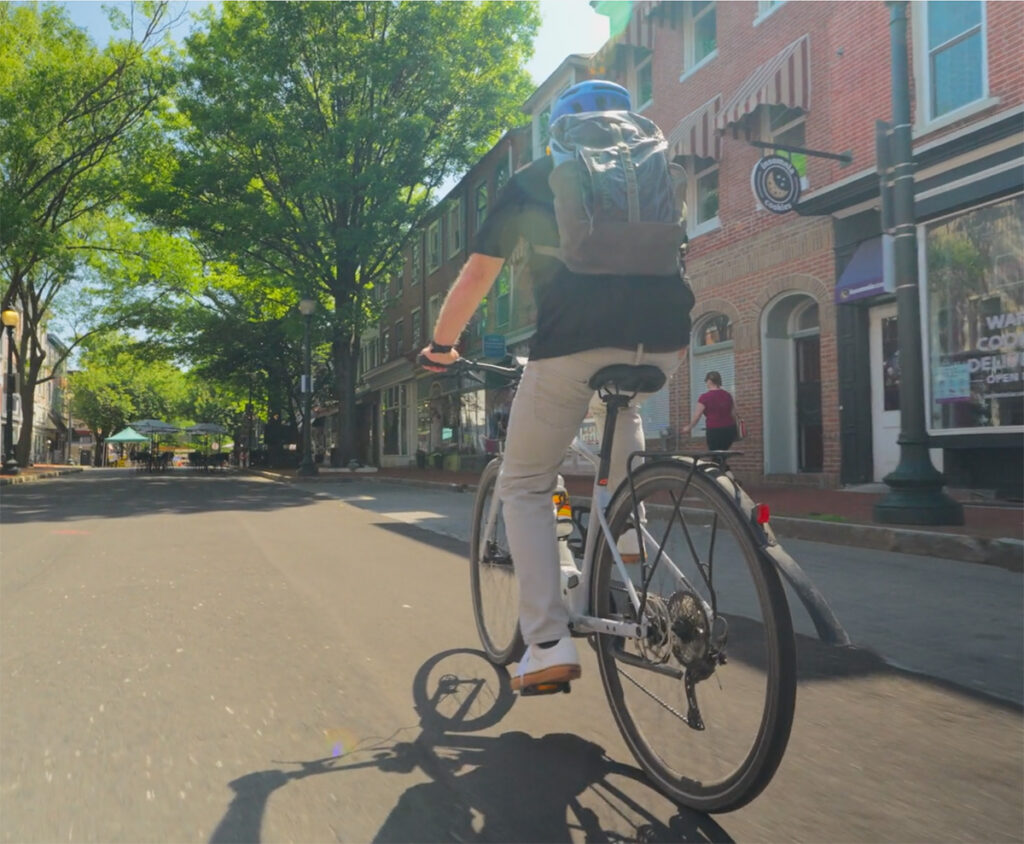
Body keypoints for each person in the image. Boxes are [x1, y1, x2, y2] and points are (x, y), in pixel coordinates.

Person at [419, 80, 694, 693]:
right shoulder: (653, 171)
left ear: (560, 130)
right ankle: (627, 546)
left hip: (573, 340)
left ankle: (546, 643)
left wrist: (441, 344)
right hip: (666, 337)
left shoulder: (537, 177)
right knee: (624, 422)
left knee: (524, 482)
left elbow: (477, 275)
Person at [681, 371, 741, 451]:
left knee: (715, 454)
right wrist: (737, 429)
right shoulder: (728, 395)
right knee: (724, 453)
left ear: (709, 381)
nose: (706, 383)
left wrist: (689, 427)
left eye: (706, 381)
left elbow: (697, 416)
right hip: (729, 430)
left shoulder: (704, 397)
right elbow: (733, 413)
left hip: (714, 430)